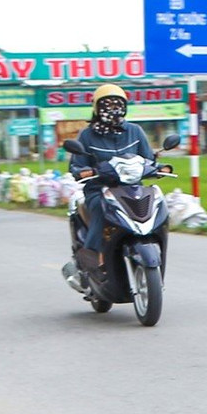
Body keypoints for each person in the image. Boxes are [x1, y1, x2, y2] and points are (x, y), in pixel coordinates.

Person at [62, 85, 153, 287]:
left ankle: (151, 240)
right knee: (102, 207)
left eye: (117, 104)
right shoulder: (87, 136)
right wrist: (83, 171)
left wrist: (156, 166)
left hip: (131, 187)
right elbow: (77, 164)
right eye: (107, 104)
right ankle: (91, 256)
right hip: (99, 189)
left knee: (155, 201)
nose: (113, 109)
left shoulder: (135, 131)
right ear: (96, 107)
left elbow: (148, 158)